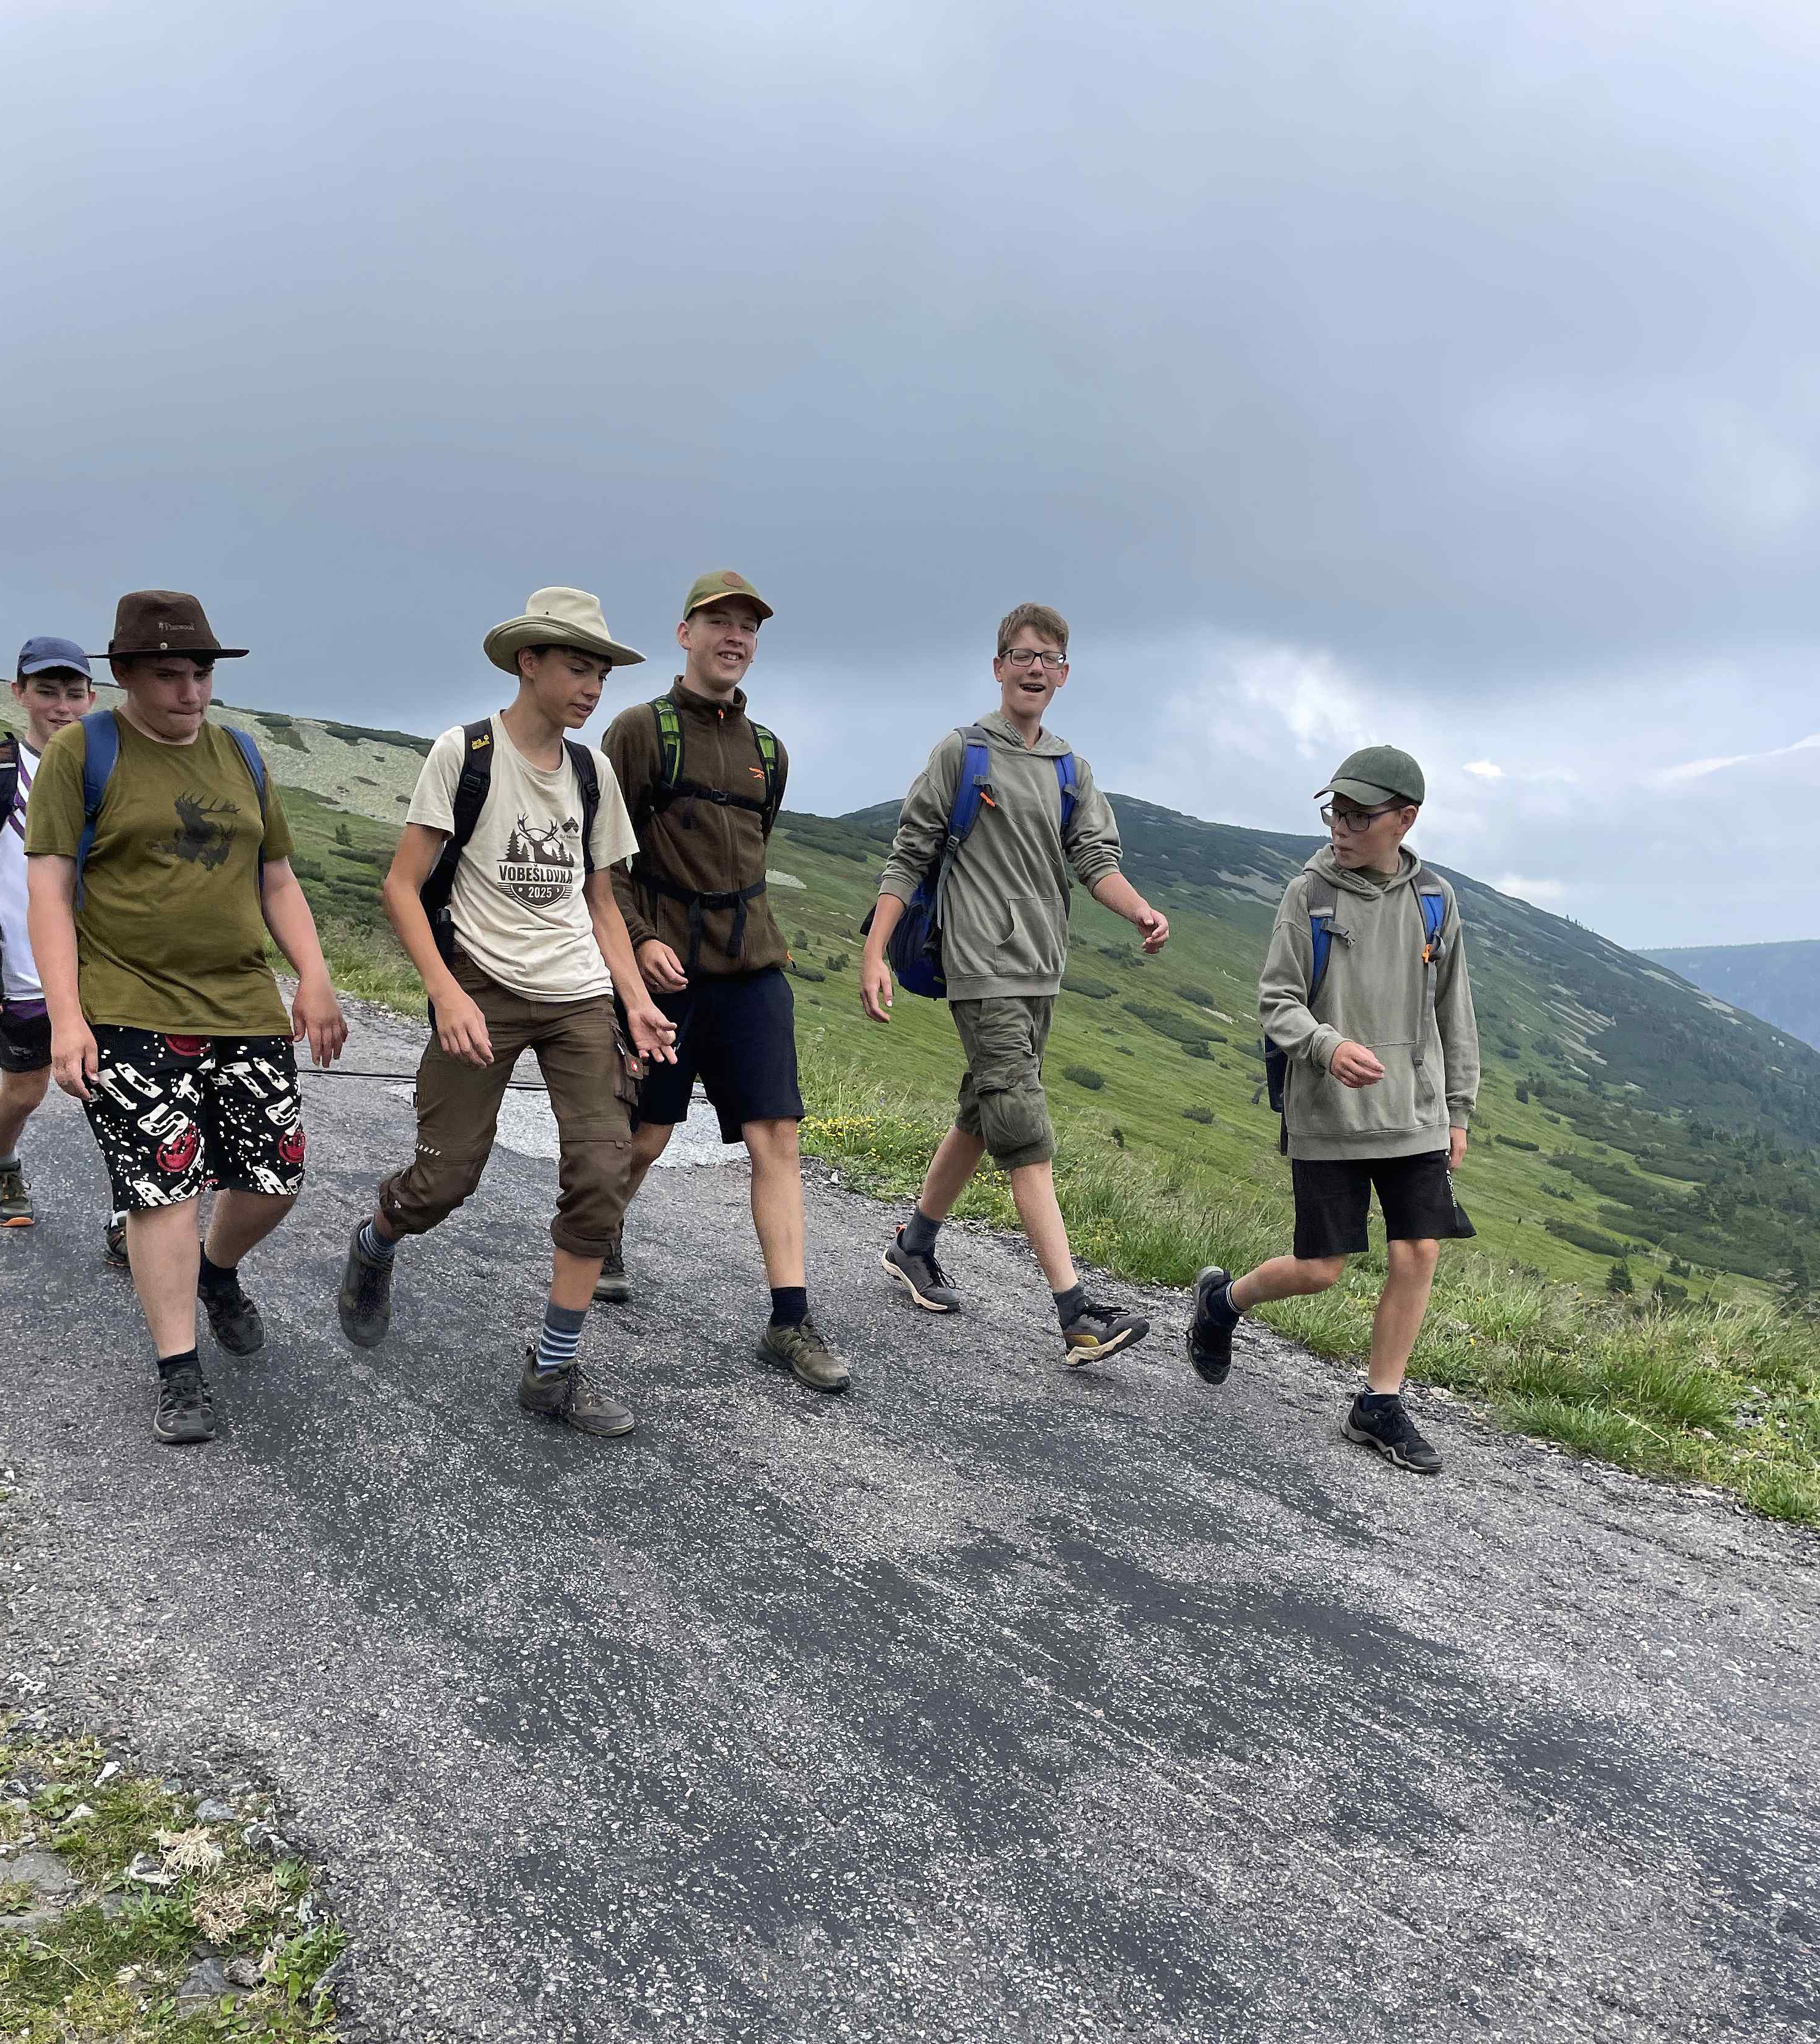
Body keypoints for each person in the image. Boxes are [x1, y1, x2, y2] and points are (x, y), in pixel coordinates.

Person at [336, 587, 677, 1439]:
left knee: (602, 1173)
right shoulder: (466, 753)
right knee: (442, 1183)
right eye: (578, 667)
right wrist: (446, 992)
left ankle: (552, 1372)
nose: (593, 687)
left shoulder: (593, 774)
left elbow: (601, 902)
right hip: (481, 984)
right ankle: (376, 1242)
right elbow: (401, 886)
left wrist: (636, 1002)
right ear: (529, 663)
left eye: (601, 672)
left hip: (578, 996)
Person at [23, 590, 347, 1446]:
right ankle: (179, 1369)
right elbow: (49, 890)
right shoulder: (84, 751)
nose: (191, 691)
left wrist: (314, 976)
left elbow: (277, 877)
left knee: (275, 1178)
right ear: (126, 674)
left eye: (201, 672)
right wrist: (66, 1018)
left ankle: (216, 1271)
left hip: (243, 1003)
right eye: (170, 675)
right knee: (161, 1188)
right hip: (127, 1004)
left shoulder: (241, 753)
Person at [859, 601, 1170, 1366]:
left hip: (1040, 970)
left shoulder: (1069, 769)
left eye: (1049, 658)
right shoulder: (963, 754)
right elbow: (909, 854)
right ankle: (1076, 1314)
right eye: (1022, 655)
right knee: (1025, 1131)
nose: (1035, 668)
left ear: (1064, 674)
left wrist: (1139, 910)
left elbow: (1094, 859)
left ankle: (913, 1246)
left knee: (982, 1110)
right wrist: (873, 953)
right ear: (998, 667)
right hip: (980, 967)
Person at [1184, 744, 1479, 1474]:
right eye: (1335, 814)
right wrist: (1326, 1045)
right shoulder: (1309, 896)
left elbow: (1454, 1011)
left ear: (1405, 820)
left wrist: (1458, 1110)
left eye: (1358, 816)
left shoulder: (1435, 900)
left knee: (1418, 1251)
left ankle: (1378, 1403)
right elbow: (1277, 1000)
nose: (1341, 828)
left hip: (1413, 1110)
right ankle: (1223, 1304)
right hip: (1329, 1112)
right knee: (1320, 1269)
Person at [599, 568, 849, 1394]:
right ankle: (601, 1231)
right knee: (646, 1136)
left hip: (753, 971)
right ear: (686, 635)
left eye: (748, 626)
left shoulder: (768, 752)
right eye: (718, 622)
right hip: (667, 974)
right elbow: (605, 862)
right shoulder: (640, 732)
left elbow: (749, 853)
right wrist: (639, 942)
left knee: (778, 1138)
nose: (735, 637)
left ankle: (789, 1321)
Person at [0, 639, 98, 1228]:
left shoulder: (105, 768)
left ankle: (133, 1214)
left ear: (92, 698)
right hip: (22, 966)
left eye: (74, 693)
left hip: (104, 968)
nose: (62, 706)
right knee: (25, 1092)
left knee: (119, 1092)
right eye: (47, 691)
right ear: (19, 693)